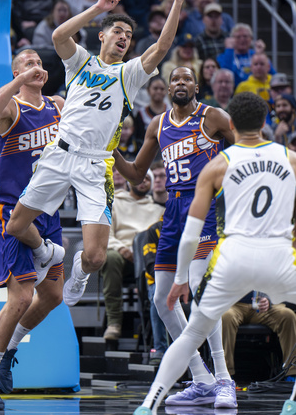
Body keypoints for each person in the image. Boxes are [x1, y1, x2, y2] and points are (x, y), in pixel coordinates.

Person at [5, 0, 202, 312]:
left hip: (95, 165)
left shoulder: (129, 74)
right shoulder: (82, 61)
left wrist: (179, 1)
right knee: (16, 226)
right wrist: (97, 8)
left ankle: (78, 271)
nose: (124, 38)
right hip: (59, 154)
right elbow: (58, 36)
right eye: (117, 32)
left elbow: (162, 47)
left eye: (128, 35)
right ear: (102, 35)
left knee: (96, 256)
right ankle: (46, 251)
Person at [132, 91, 296, 415]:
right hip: (279, 255)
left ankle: (150, 405)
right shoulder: (290, 157)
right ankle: (290, 401)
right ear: (266, 122)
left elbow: (191, 232)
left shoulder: (217, 165)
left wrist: (180, 278)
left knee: (193, 328)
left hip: (237, 255)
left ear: (231, 123)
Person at [114, 66, 236, 408]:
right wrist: (111, 151)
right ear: (168, 88)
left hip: (203, 208)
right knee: (162, 300)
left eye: (186, 79)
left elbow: (244, 148)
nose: (179, 83)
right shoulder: (158, 124)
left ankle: (225, 378)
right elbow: (137, 173)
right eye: (174, 80)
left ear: (196, 86)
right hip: (171, 213)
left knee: (196, 291)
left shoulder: (212, 117)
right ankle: (201, 378)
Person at [0, 49, 65, 410]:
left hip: (50, 212)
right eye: (28, 63)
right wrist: (18, 83)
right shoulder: (11, 107)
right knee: (21, 298)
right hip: (13, 211)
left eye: (39, 64)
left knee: (53, 296)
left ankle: (8, 352)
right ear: (15, 72)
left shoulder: (57, 105)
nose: (36, 67)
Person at [101, 172, 164, 340]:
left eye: (147, 178)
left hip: (149, 258)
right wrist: (123, 250)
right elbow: (106, 236)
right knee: (111, 258)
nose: (143, 180)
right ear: (129, 181)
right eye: (140, 177)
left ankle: (156, 331)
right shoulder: (114, 204)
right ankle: (114, 323)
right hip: (123, 255)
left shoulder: (159, 210)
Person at [222, 291, 296, 379]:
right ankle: (225, 374)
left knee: (287, 315)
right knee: (225, 316)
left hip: (263, 306)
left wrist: (268, 298)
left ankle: (291, 372)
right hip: (233, 305)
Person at [142, 217, 169, 365]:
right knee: (158, 299)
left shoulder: (192, 226)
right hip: (158, 279)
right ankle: (160, 349)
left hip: (186, 279)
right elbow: (150, 263)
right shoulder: (155, 230)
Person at [217, 23, 276, 87]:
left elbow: (273, 76)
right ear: (232, 39)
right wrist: (229, 50)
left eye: (245, 36)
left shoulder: (256, 54)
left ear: (251, 39)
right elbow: (225, 77)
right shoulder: (224, 57)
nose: (242, 39)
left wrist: (260, 55)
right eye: (238, 37)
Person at [135, 77, 171, 143]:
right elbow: (139, 138)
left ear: (166, 91)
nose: (159, 91)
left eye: (162, 89)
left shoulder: (172, 112)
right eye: (155, 88)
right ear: (148, 90)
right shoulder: (141, 113)